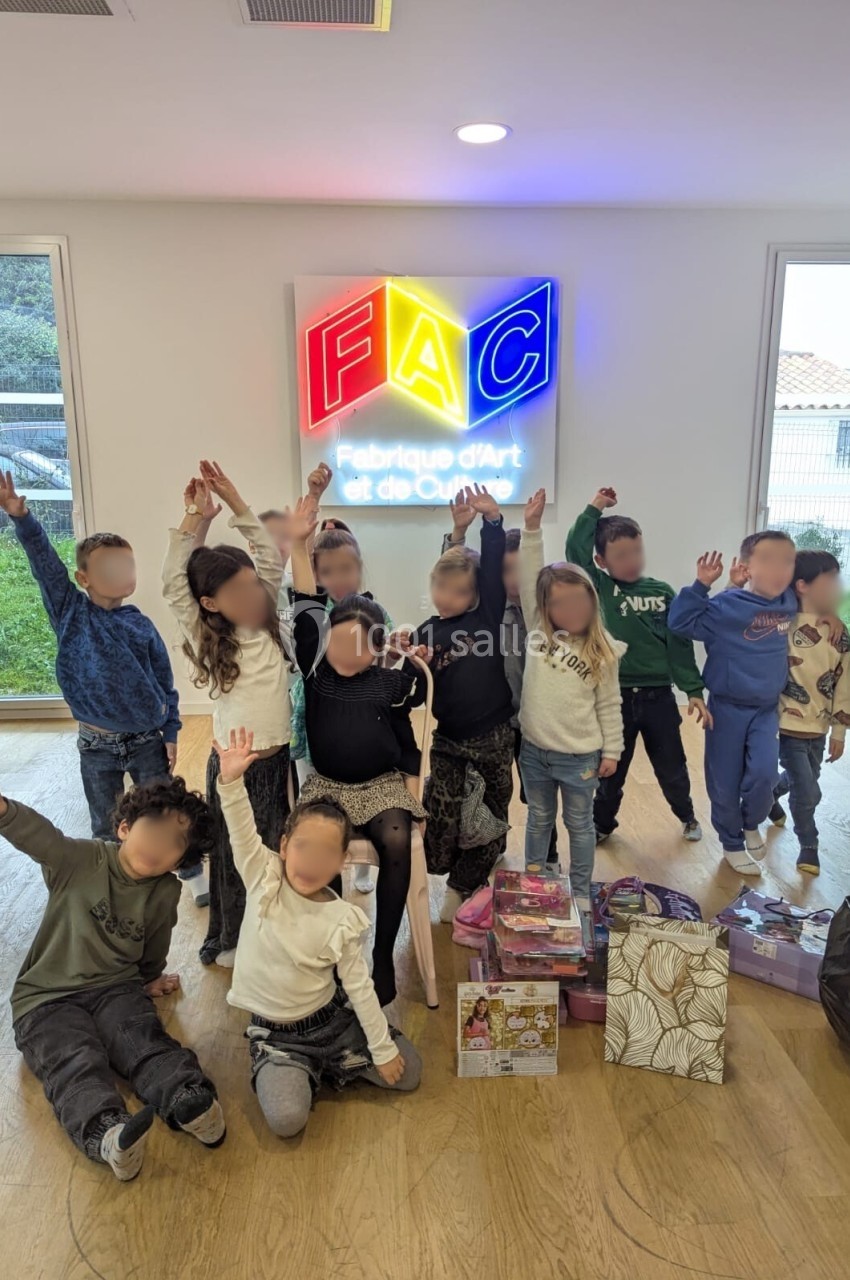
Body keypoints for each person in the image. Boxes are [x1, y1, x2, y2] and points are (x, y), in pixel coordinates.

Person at [0, 775, 224, 1182]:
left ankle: (187, 1098)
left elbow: (155, 943)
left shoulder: (164, 892)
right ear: (124, 827)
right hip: (46, 999)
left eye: (174, 842)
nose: (158, 845)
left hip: (116, 989)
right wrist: (4, 810)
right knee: (74, 1058)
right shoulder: (79, 859)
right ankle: (106, 1132)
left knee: (142, 1039)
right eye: (152, 829)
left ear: (181, 860)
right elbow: (38, 836)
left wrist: (149, 979)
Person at [0, 473, 206, 897]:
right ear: (84, 578)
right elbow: (46, 567)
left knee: (163, 809)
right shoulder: (70, 612)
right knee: (106, 821)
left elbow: (165, 682)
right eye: (110, 567)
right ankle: (111, 884)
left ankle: (188, 869)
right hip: (96, 745)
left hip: (146, 738)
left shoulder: (140, 625)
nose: (123, 573)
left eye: (127, 565)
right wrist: (22, 518)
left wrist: (170, 730)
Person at [211, 727, 421, 1138]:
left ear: (342, 861)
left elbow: (360, 988)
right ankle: (304, 1067)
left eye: (326, 853)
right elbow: (241, 830)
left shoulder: (342, 918)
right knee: (287, 1121)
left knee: (410, 1070)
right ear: (284, 846)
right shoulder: (263, 877)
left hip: (331, 1022)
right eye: (303, 847)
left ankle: (327, 1064)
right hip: (278, 1037)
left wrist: (382, 1049)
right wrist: (231, 781)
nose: (311, 861)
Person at [289, 497, 429, 1007]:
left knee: (396, 839)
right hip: (327, 786)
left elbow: (417, 691)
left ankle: (382, 954)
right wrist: (299, 545)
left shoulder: (385, 679)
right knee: (314, 843)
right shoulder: (316, 673)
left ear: (375, 645)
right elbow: (306, 607)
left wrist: (415, 659)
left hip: (381, 785)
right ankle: (327, 950)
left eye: (361, 643)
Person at [162, 460, 290, 966]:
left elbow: (269, 556)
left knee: (271, 853)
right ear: (211, 603)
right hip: (235, 769)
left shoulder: (265, 616)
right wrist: (194, 518)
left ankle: (266, 932)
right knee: (234, 856)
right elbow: (173, 583)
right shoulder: (207, 637)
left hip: (276, 763)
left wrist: (235, 500)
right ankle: (232, 938)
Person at [566, 487, 709, 846]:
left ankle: (687, 816)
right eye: (621, 555)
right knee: (610, 769)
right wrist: (594, 508)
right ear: (601, 561)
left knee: (671, 765)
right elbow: (575, 551)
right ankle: (602, 824)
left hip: (659, 697)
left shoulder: (662, 592)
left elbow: (678, 645)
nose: (632, 560)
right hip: (613, 699)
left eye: (637, 550)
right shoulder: (598, 587)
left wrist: (693, 689)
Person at [289, 463, 405, 894]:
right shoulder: (313, 614)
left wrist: (393, 653)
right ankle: (329, 861)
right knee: (318, 793)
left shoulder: (375, 613)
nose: (340, 579)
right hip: (316, 720)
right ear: (315, 573)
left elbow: (384, 669)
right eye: (328, 571)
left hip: (362, 722)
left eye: (348, 569)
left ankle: (362, 863)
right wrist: (313, 498)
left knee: (366, 786)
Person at [412, 485, 515, 923]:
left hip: (493, 736)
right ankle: (447, 866)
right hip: (449, 740)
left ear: (474, 596)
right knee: (443, 815)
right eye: (440, 588)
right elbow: (416, 692)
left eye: (457, 592)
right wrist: (414, 664)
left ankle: (464, 884)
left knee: (491, 813)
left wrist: (492, 523)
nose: (446, 598)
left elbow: (487, 572)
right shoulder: (425, 631)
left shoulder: (486, 617)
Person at [669, 531, 798, 874]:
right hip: (726, 709)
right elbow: (679, 623)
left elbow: (818, 600)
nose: (779, 569)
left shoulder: (789, 601)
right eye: (768, 561)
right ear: (746, 566)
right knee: (724, 781)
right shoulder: (727, 606)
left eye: (787, 561)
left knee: (765, 774)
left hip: (766, 709)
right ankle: (731, 842)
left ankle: (751, 821)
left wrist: (829, 617)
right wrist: (701, 585)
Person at [518, 490, 624, 897]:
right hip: (534, 752)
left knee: (579, 825)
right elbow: (530, 578)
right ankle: (535, 884)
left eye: (578, 601)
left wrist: (612, 751)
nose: (571, 610)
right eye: (559, 604)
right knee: (538, 820)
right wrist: (531, 528)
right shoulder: (538, 632)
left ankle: (579, 893)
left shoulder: (603, 649)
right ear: (545, 608)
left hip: (579, 757)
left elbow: (609, 704)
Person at [442, 493, 557, 865]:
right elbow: (453, 574)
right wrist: (458, 532)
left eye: (522, 569)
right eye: (506, 569)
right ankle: (492, 849)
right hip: (494, 725)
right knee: (492, 791)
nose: (515, 578)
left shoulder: (547, 615)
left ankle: (548, 857)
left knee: (538, 796)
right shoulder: (487, 610)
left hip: (534, 722)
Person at [768, 550, 850, 876]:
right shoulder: (779, 625)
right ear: (802, 585)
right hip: (787, 726)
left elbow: (844, 687)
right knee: (807, 790)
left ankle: (770, 796)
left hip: (819, 728)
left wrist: (840, 731)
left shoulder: (839, 634)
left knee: (805, 779)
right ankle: (809, 845)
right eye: (830, 580)